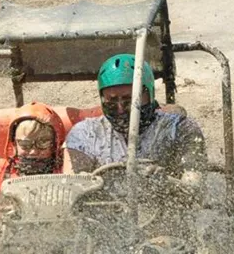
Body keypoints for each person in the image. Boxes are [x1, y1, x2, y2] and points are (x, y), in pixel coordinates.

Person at [62, 53, 207, 200]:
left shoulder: (181, 129)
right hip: (103, 218)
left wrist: (168, 184)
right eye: (112, 101)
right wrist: (81, 184)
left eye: (128, 100)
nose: (120, 109)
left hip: (168, 215)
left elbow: (195, 189)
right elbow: (68, 189)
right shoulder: (84, 133)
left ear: (149, 94)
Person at [0, 102, 65, 197]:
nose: (33, 151)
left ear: (55, 144)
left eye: (43, 143)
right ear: (14, 144)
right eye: (25, 144)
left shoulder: (65, 172)